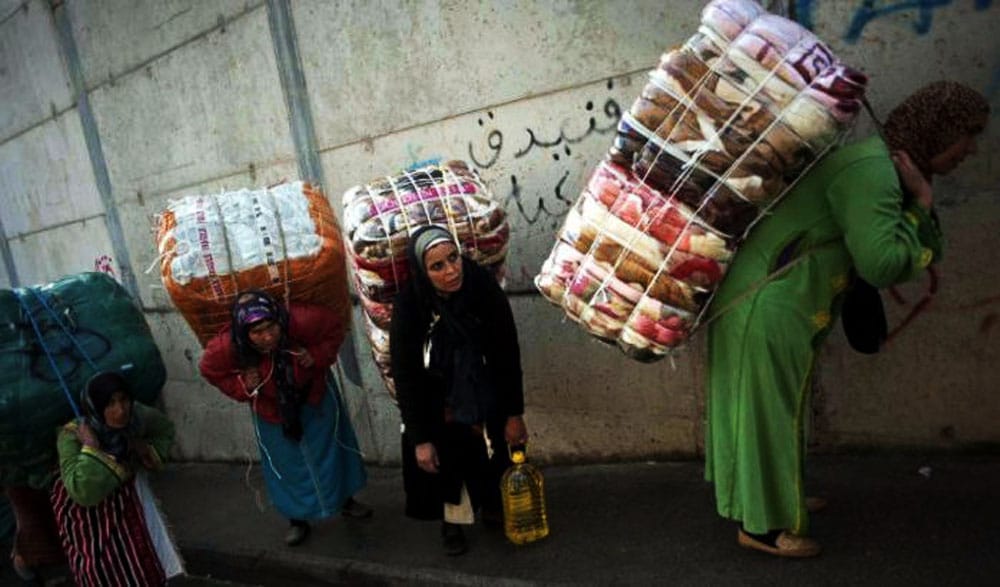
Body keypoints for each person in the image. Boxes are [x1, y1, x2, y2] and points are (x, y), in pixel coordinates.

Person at [704, 80, 990, 557]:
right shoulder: (875, 174)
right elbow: (881, 263)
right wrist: (921, 205)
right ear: (939, 130)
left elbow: (899, 252)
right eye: (968, 133)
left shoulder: (883, 165)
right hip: (769, 304)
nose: (970, 148)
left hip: (779, 301)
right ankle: (762, 526)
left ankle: (775, 496)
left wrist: (917, 209)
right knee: (768, 414)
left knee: (775, 411)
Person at [390, 224, 529, 556]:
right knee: (449, 464)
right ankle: (452, 524)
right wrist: (420, 439)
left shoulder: (481, 286)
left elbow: (507, 353)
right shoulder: (411, 305)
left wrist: (514, 413)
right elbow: (405, 374)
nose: (451, 270)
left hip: (486, 391)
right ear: (423, 272)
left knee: (497, 451)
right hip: (439, 402)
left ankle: (494, 504)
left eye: (453, 258)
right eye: (437, 266)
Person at [199, 290, 371, 547]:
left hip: (315, 396)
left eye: (271, 328)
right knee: (286, 466)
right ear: (243, 332)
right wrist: (242, 385)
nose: (267, 337)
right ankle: (297, 519)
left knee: (334, 450)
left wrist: (316, 355)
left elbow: (335, 329)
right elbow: (209, 370)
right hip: (272, 411)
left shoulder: (302, 320)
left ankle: (346, 500)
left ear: (280, 319)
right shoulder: (227, 346)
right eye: (257, 333)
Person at [50, 371, 183, 585]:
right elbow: (82, 492)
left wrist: (145, 450)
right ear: (95, 406)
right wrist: (91, 449)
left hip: (130, 507)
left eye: (124, 400)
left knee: (143, 562)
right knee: (103, 571)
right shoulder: (71, 435)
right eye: (110, 403)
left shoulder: (137, 417)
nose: (120, 411)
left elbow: (164, 430)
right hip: (90, 521)